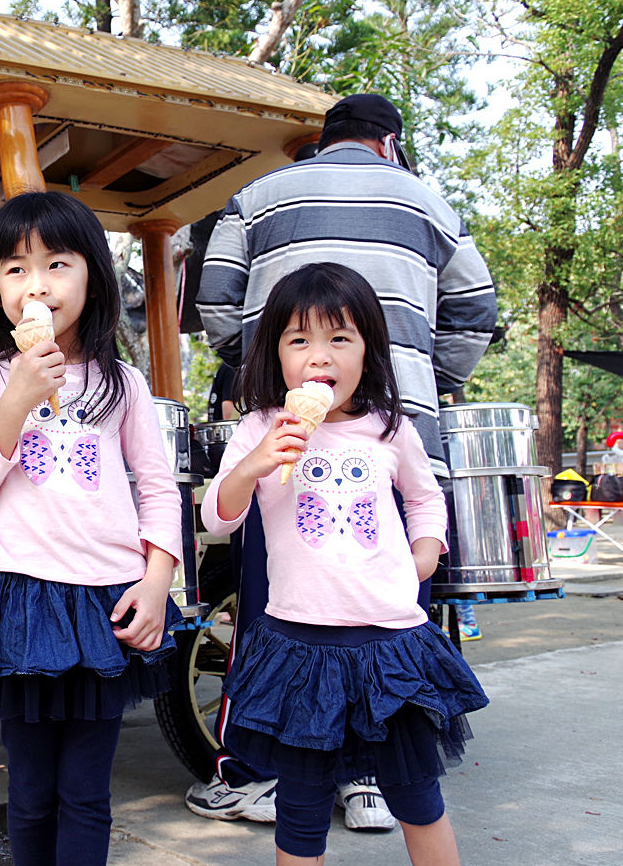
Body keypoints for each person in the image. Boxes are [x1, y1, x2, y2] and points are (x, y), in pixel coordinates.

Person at [191, 92, 497, 827]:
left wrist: (268, 366)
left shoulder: (255, 198)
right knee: (393, 615)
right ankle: (370, 781)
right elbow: (476, 307)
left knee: (273, 615)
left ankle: (263, 769)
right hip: (394, 421)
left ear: (319, 142)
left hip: (335, 441)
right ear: (389, 142)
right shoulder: (429, 200)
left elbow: (215, 306)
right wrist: (426, 375)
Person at [201, 263, 487, 866]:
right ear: (276, 352)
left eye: (340, 339)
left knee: (418, 796)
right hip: (299, 647)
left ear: (369, 352)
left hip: (391, 644)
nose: (318, 357)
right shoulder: (259, 429)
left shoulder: (389, 427)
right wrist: (254, 462)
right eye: (299, 340)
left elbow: (425, 496)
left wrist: (424, 554)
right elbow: (218, 517)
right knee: (301, 808)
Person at [0, 191, 185, 866]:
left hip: (104, 604)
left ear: (92, 280)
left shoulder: (122, 383)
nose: (35, 285)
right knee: (32, 792)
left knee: (86, 795)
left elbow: (160, 491)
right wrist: (16, 395)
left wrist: (158, 578)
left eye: (56, 265)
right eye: (14, 269)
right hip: (20, 598)